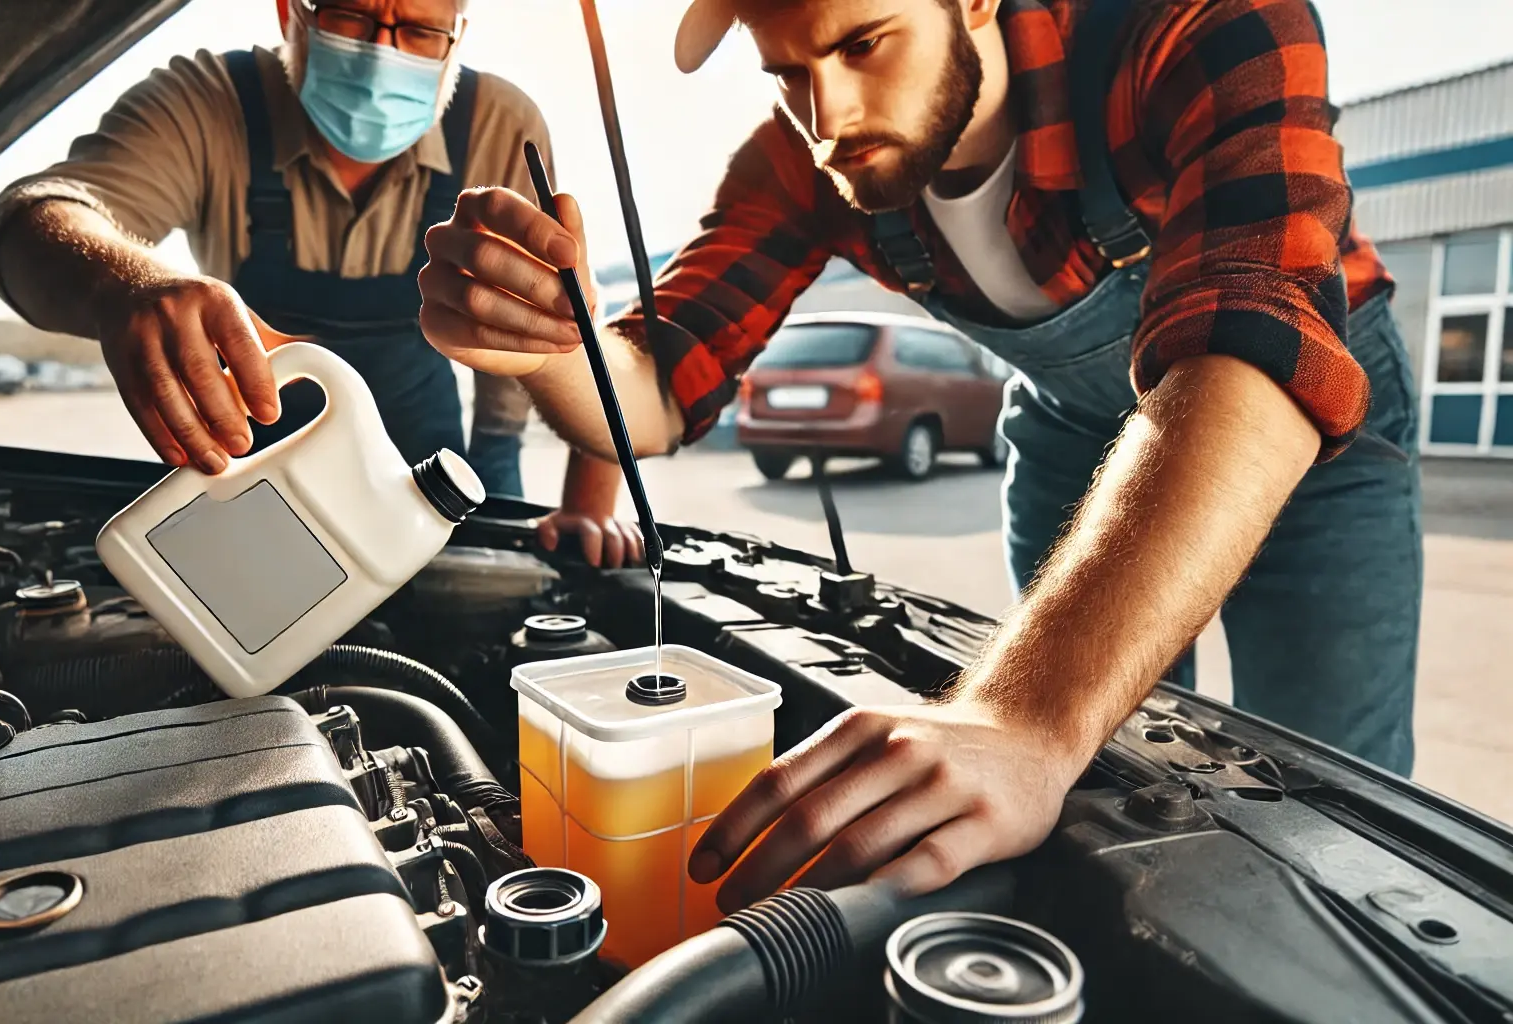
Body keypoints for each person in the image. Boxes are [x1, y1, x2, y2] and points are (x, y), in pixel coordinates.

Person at [417, 0, 1422, 907]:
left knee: (1323, 816)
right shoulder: (799, 160)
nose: (829, 112)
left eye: (862, 43)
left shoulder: (1191, 25)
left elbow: (1249, 331)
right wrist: (543, 342)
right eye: (786, 71)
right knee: (1100, 788)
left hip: (1306, 415)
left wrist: (1025, 713)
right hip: (1077, 431)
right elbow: (656, 387)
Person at [0, 0, 644, 567]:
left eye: (419, 31)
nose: (385, 52)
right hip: (255, 478)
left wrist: (588, 504)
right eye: (352, 14)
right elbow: (26, 218)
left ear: (457, 36)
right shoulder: (208, 104)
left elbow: (558, 316)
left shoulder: (501, 124)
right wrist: (124, 287)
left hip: (444, 472)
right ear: (291, 11)